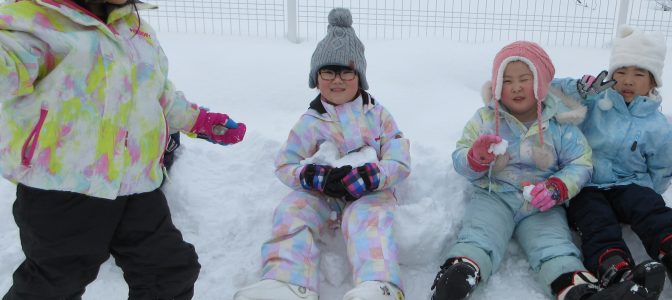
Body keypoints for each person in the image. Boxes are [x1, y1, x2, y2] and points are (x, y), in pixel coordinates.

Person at [0, 0, 247, 299]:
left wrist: (200, 120)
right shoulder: (35, 23)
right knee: (55, 282)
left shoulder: (136, 31)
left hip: (135, 185)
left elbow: (159, 95)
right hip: (62, 187)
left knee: (168, 272)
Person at [430, 40, 654, 300]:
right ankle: (458, 276)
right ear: (496, 85)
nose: (515, 87)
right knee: (479, 234)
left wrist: (557, 188)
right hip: (494, 196)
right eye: (506, 80)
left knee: (554, 246)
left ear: (541, 84)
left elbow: (581, 162)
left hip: (541, 202)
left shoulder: (559, 125)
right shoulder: (485, 119)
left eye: (524, 79)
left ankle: (578, 290)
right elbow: (460, 157)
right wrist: (475, 158)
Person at [232, 8, 411, 300]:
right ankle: (288, 282)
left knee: (369, 220)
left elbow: (400, 159)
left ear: (360, 77)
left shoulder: (378, 115)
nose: (337, 79)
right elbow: (285, 164)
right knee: (293, 210)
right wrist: (312, 176)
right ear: (316, 78)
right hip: (323, 192)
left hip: (368, 192)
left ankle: (380, 285)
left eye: (346, 71)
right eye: (328, 71)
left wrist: (372, 176)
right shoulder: (310, 121)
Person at [551, 25, 672, 300]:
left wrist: (647, 193)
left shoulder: (658, 126)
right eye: (621, 72)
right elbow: (551, 95)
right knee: (595, 221)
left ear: (653, 81)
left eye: (639, 74)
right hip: (587, 184)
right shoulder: (593, 102)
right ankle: (618, 272)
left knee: (653, 210)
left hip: (630, 185)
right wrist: (579, 89)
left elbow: (661, 167)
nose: (628, 81)